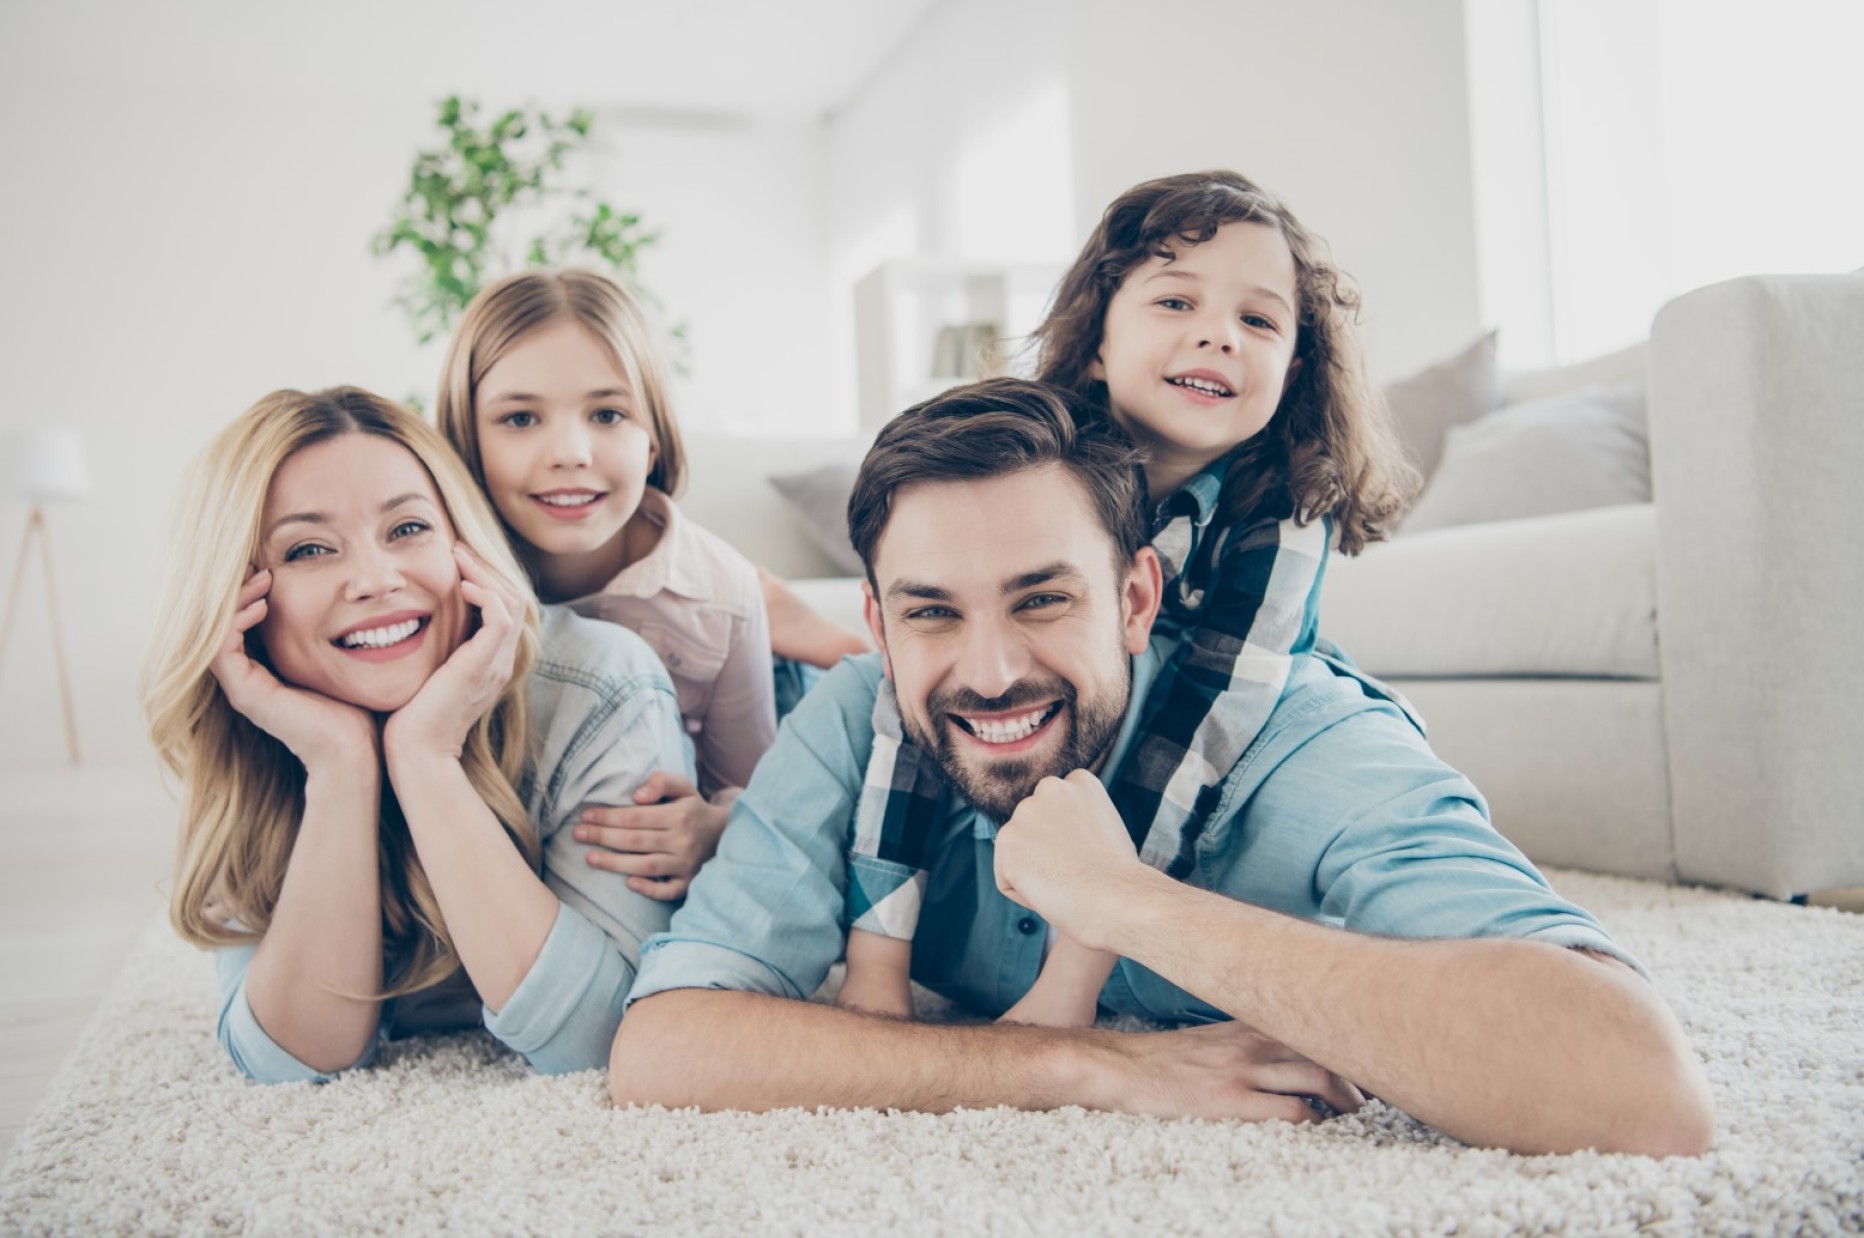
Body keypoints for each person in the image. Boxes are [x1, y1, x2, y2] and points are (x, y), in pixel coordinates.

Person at [606, 378, 1714, 1156]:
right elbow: (666, 1045)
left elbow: (1641, 1088)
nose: (988, 672)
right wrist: (1080, 1067)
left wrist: (1127, 901)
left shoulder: (1302, 739)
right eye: (932, 612)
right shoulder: (860, 714)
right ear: (879, 624)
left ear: (1136, 596)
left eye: (1043, 597)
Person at [836, 170, 1418, 1023]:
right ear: (1100, 340)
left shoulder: (1284, 516)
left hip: (1207, 717)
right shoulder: (1032, 469)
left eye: (1256, 320)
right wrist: (876, 966)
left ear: (1293, 371)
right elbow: (912, 714)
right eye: (1176, 303)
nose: (1218, 337)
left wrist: (1069, 984)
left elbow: (1194, 739)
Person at [142, 387, 692, 1083]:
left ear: (465, 543)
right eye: (309, 549)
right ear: (237, 599)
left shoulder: (598, 682)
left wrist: (426, 759)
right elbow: (287, 1060)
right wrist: (339, 766)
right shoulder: (254, 713)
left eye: (407, 529)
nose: (375, 579)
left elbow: (607, 1040)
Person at [436, 269, 859, 904]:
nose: (570, 451)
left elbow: (749, 788)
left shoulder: (719, 595)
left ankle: (810, 639)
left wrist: (715, 829)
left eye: (607, 414)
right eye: (521, 419)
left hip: (743, 678)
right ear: (466, 439)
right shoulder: (435, 576)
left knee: (845, 737)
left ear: (654, 436)